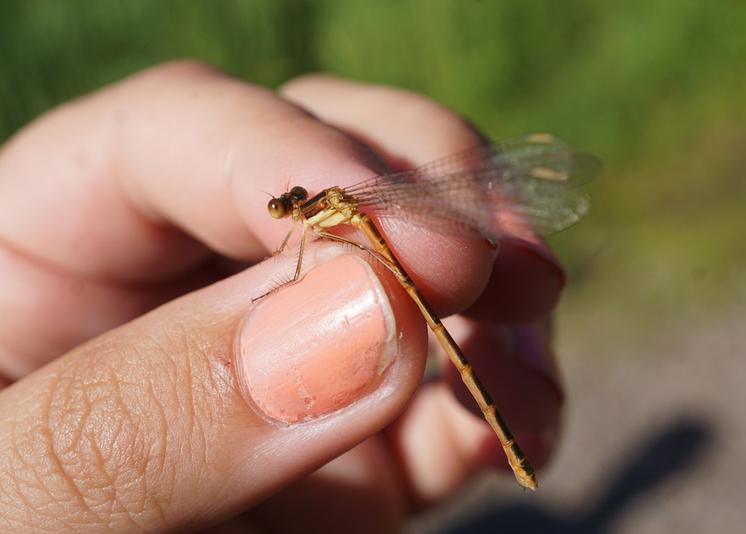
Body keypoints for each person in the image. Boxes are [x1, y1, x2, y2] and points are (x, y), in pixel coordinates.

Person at [0, 61, 565, 532]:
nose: (289, 211)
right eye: (288, 206)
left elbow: (304, 247)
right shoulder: (310, 218)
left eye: (289, 206)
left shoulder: (322, 214)